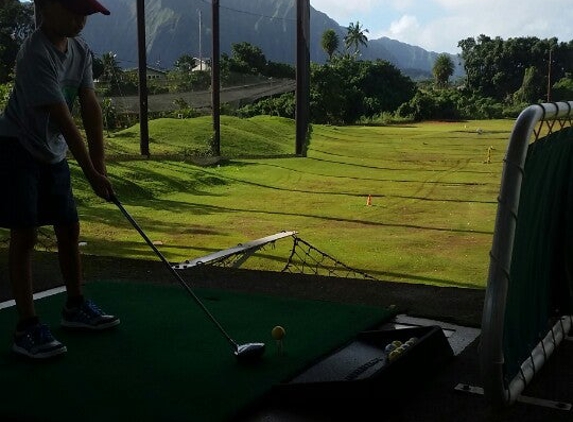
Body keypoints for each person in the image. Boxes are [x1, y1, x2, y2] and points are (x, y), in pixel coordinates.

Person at [0, 0, 120, 359]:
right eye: (72, 11)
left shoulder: (80, 50)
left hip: (51, 152)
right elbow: (65, 119)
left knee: (69, 229)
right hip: (16, 148)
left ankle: (75, 306)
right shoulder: (35, 53)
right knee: (26, 235)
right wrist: (90, 173)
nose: (80, 20)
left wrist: (100, 165)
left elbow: (90, 106)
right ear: (45, 7)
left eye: (85, 13)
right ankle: (27, 327)